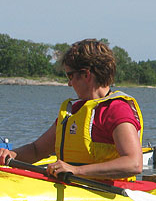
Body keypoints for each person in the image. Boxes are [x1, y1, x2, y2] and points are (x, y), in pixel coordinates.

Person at [0, 39, 143, 180]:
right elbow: (37, 150)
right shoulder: (74, 111)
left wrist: (76, 170)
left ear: (86, 74)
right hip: (72, 185)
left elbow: (133, 164)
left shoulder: (116, 110)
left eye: (70, 76)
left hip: (109, 191)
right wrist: (11, 154)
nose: (69, 83)